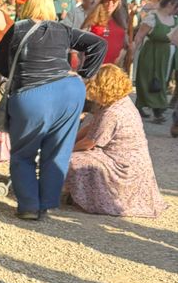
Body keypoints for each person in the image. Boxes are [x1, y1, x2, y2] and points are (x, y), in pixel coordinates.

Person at [0, 0, 106, 220]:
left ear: (29, 6)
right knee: (58, 151)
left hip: (32, 95)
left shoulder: (18, 28)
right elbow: (98, 45)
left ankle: (29, 206)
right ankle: (46, 204)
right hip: (69, 91)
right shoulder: (63, 29)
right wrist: (83, 74)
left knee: (24, 153)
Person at [64, 65, 166, 217]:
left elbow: (89, 143)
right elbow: (93, 126)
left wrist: (64, 151)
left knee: (73, 160)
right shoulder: (121, 101)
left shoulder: (113, 113)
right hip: (128, 160)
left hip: (123, 166)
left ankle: (88, 198)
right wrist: (70, 140)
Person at [132, 0, 178, 123]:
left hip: (167, 53)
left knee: (162, 80)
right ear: (171, 4)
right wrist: (133, 52)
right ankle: (152, 109)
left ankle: (154, 108)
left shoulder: (175, 20)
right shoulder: (152, 17)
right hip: (150, 52)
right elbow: (139, 36)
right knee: (146, 79)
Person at [82, 0, 130, 68]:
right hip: (94, 67)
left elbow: (125, 45)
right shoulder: (92, 20)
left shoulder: (121, 23)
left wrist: (125, 53)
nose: (110, 4)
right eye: (107, 1)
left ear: (118, 3)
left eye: (114, 1)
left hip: (113, 69)